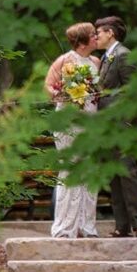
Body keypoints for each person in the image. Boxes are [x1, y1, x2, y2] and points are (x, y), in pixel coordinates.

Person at [94, 15, 137, 238]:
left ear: (111, 33)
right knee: (114, 176)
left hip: (122, 125)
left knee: (128, 173)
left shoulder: (124, 55)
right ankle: (122, 225)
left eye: (99, 33)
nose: (96, 37)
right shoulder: (107, 57)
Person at [44, 22, 100, 239]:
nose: (96, 37)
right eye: (93, 35)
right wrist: (64, 96)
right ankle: (65, 226)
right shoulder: (65, 60)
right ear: (83, 40)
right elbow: (49, 86)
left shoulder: (95, 61)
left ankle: (86, 225)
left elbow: (99, 90)